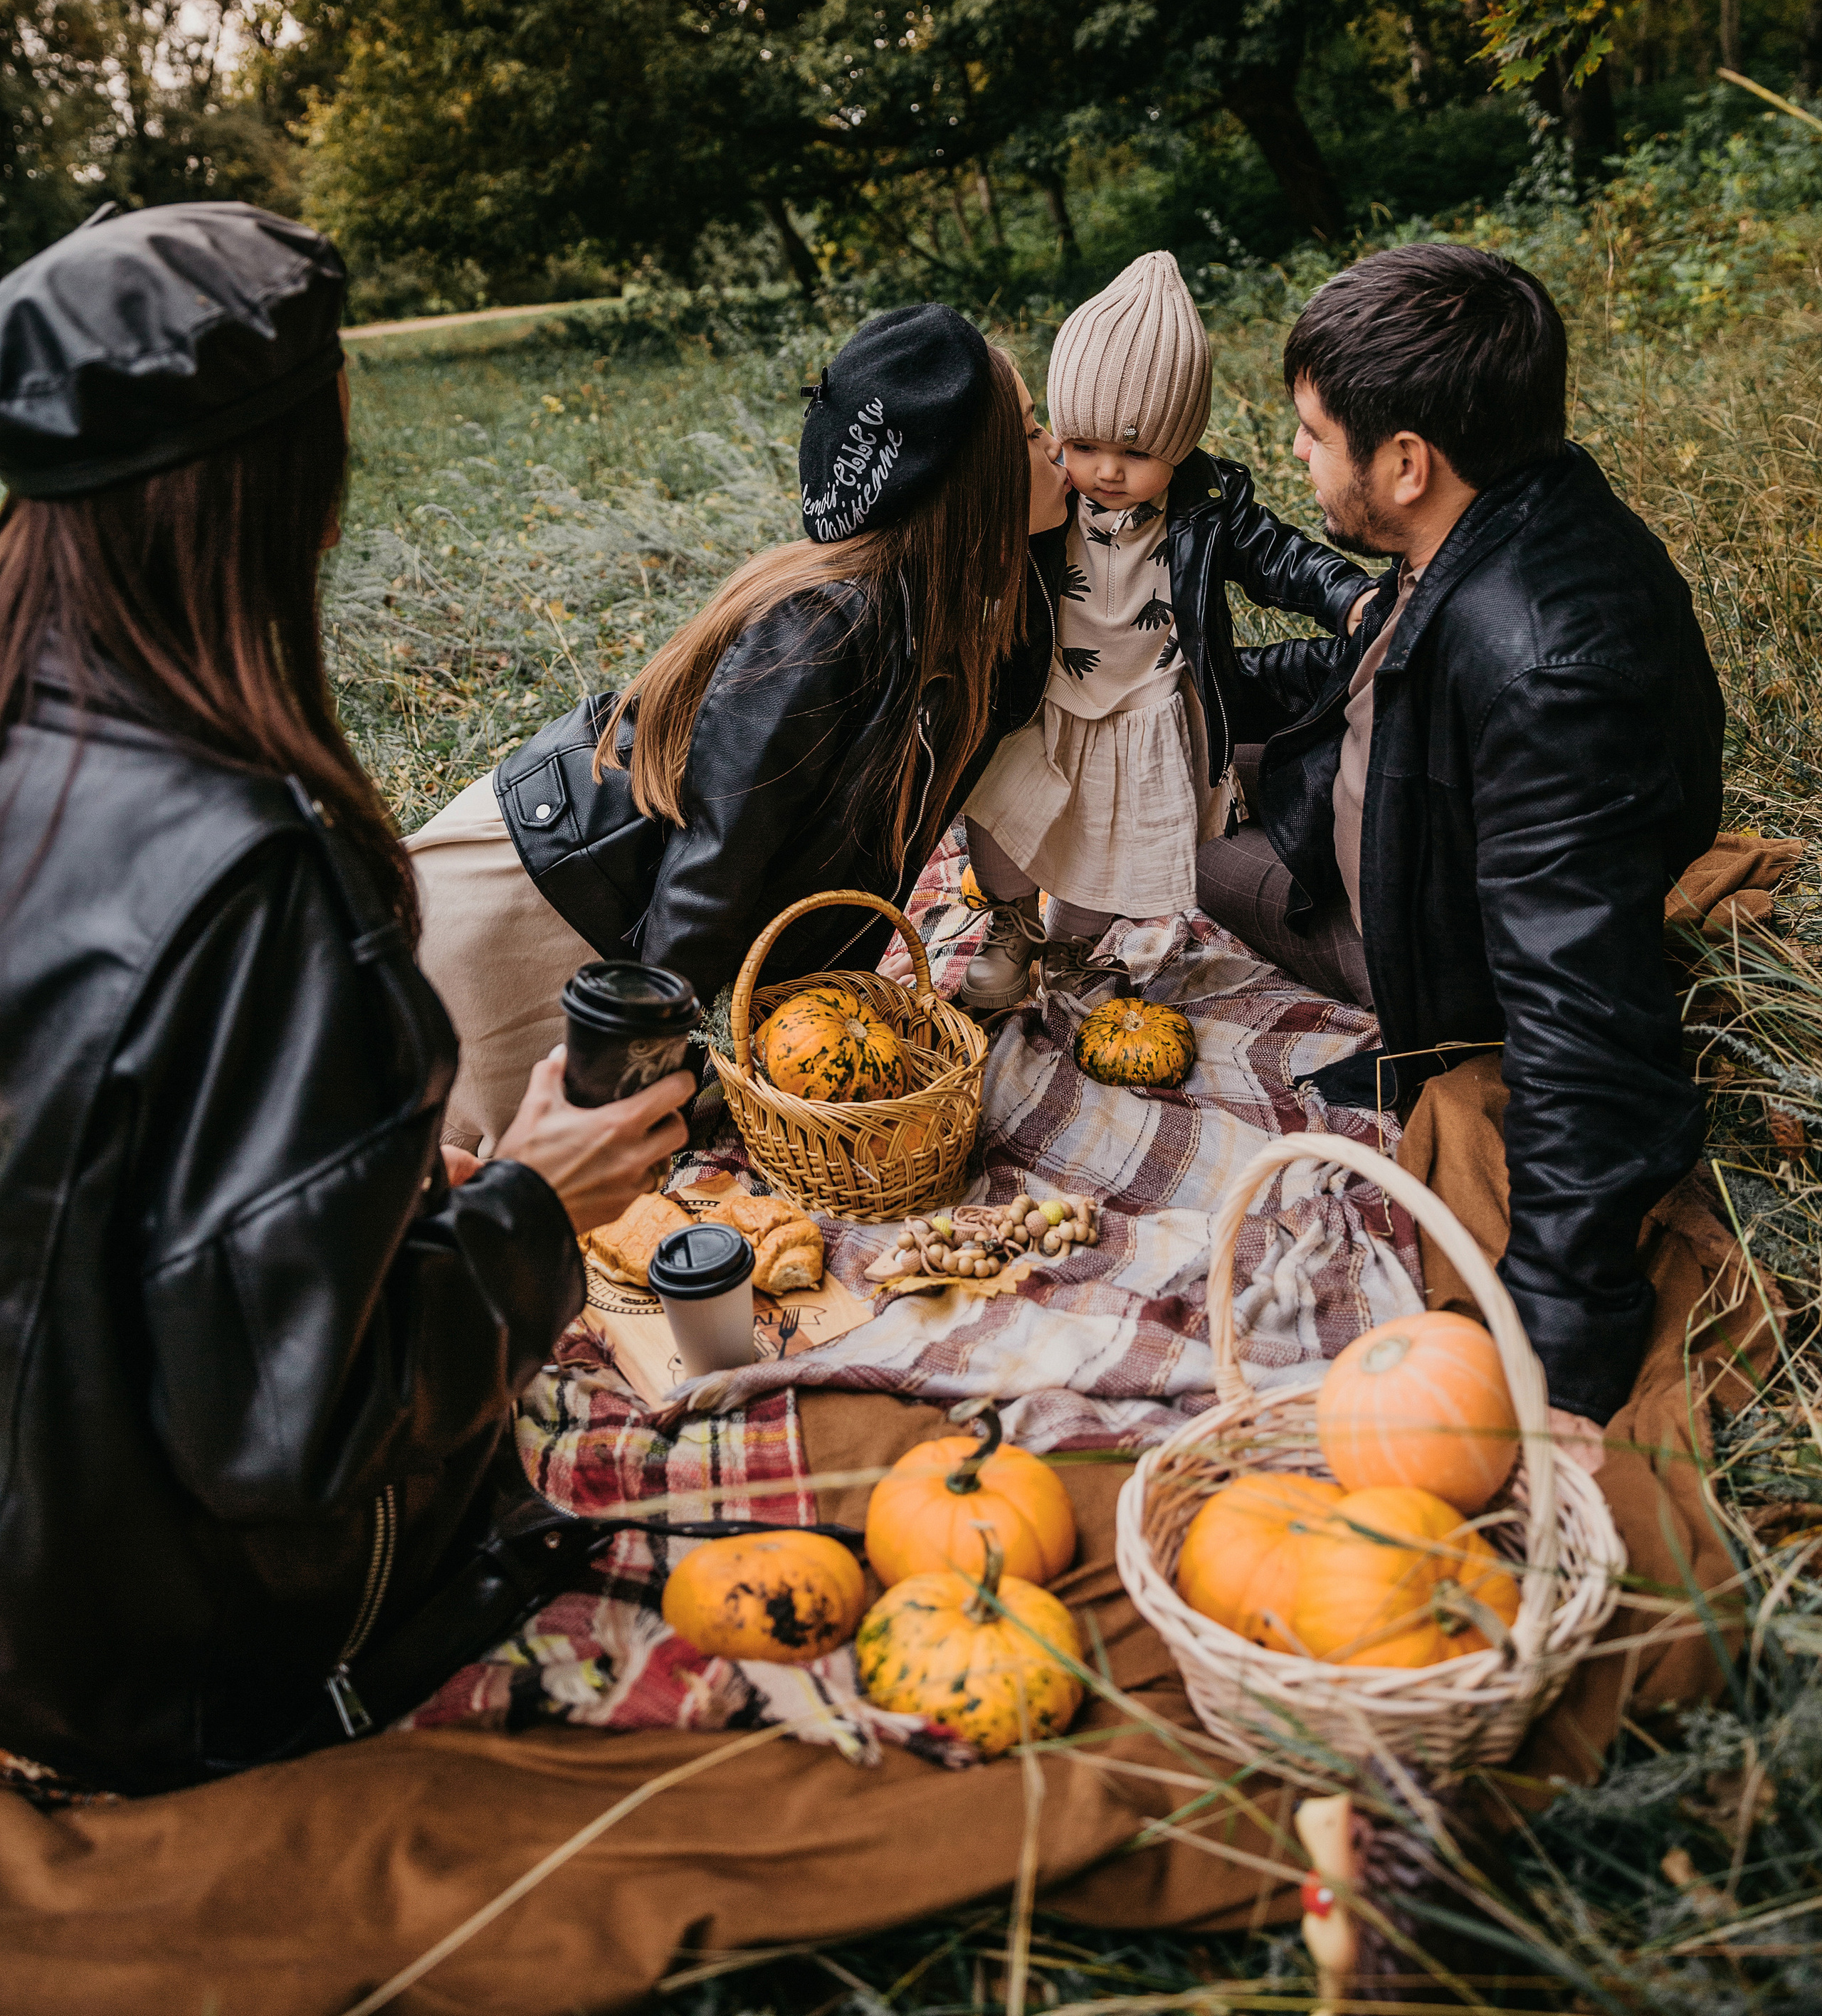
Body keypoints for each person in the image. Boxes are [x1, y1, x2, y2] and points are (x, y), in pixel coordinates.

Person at [0, 202, 694, 1798]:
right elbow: (298, 1435)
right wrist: (531, 1207)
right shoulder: (259, 879)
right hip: (179, 1666)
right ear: (279, 501)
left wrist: (365, 1202)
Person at [1196, 241, 1725, 1438]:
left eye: (1314, 435)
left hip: (1428, 951)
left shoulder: (1547, 677)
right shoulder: (1511, 508)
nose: (1297, 455)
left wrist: (1562, 1345)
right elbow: (1380, 659)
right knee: (1185, 757)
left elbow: (1583, 1013)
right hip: (1405, 817)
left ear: (1404, 461)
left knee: (1178, 847)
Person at [411, 305, 1065, 1146]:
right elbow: (711, 868)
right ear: (972, 480)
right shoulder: (827, 624)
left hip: (618, 920)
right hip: (528, 918)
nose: (1057, 447)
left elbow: (1015, 686)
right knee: (481, 1163)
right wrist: (639, 1078)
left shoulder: (947, 622)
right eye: (1029, 432)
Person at [961, 251, 1375, 1009]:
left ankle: (1070, 945)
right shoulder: (1047, 497)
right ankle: (1011, 922)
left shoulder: (1204, 505)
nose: (1106, 471)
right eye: (1085, 446)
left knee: (1105, 839)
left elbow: (1278, 557)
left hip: (1142, 706)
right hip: (1046, 694)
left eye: (1135, 453)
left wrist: (1348, 595)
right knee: (1001, 810)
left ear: (1179, 449)